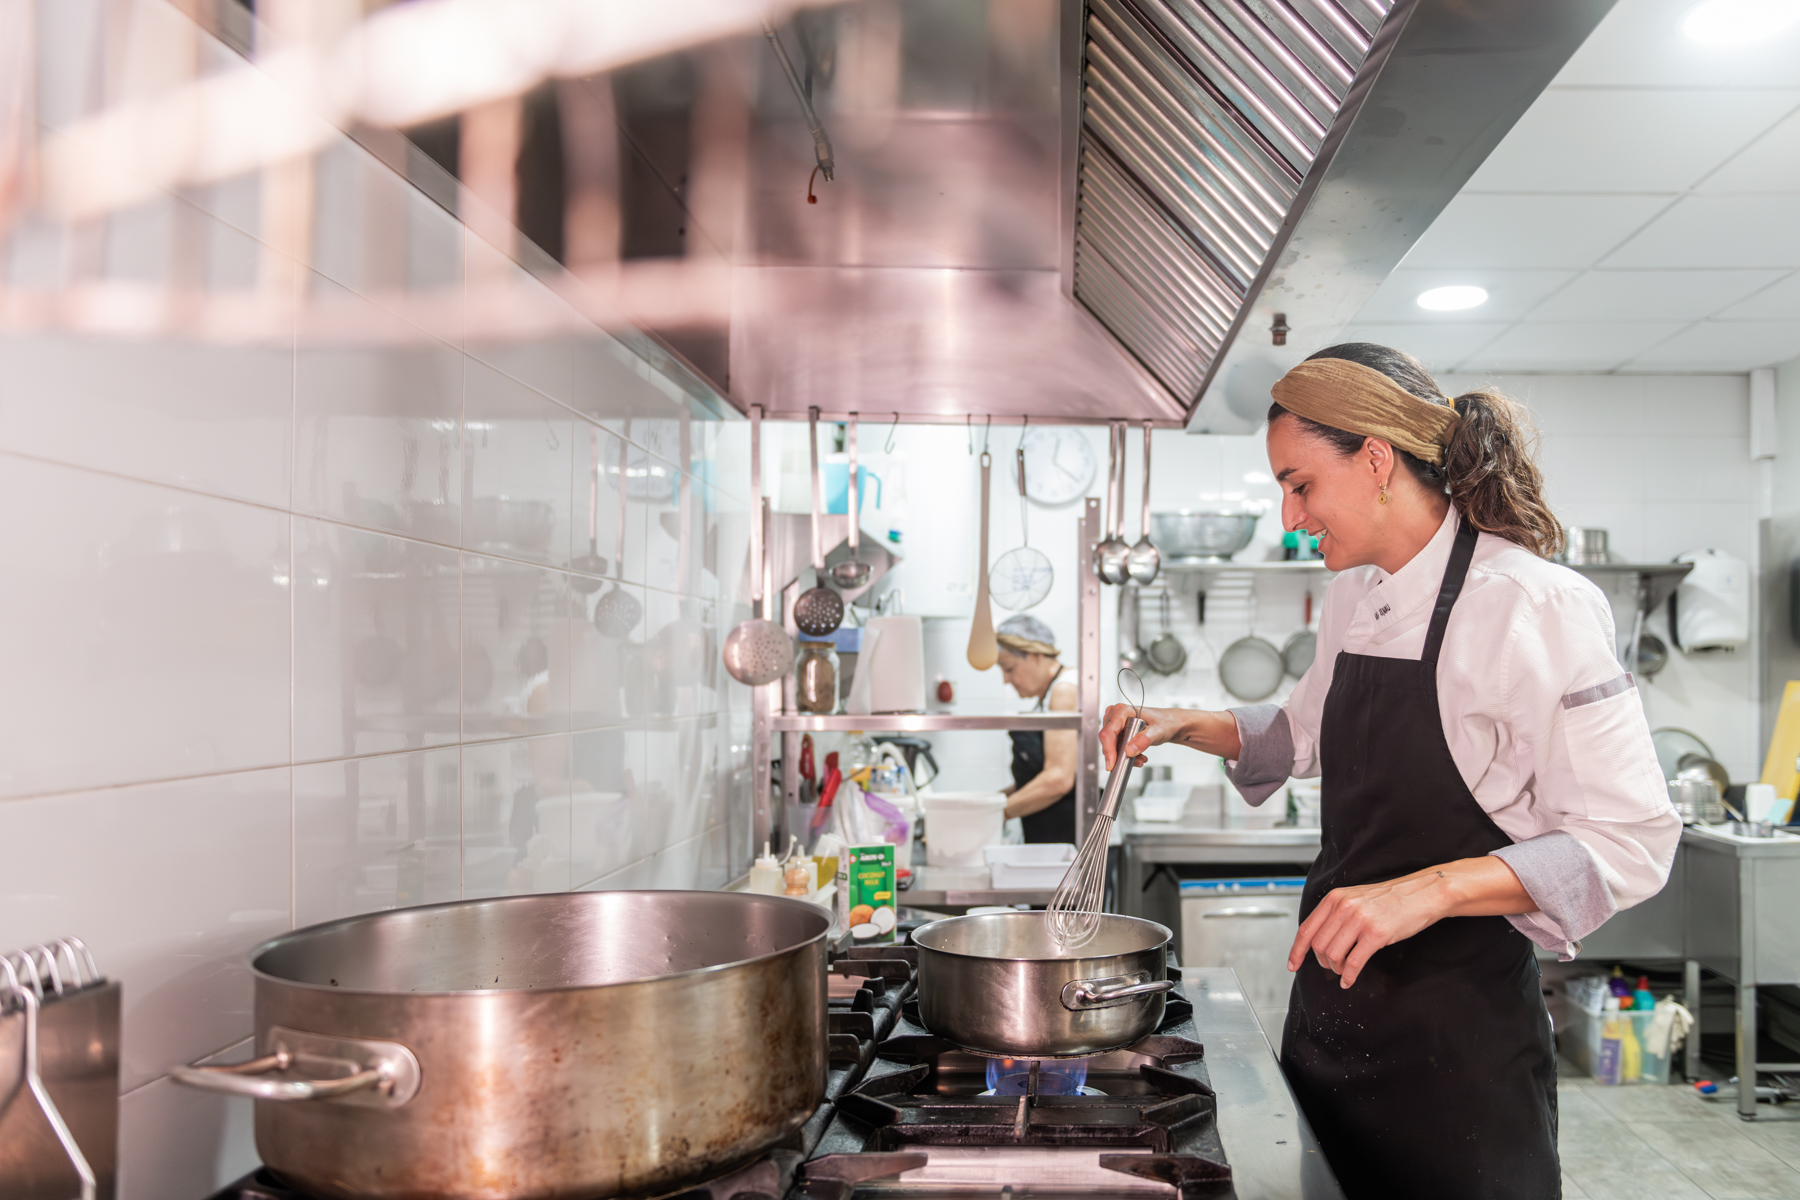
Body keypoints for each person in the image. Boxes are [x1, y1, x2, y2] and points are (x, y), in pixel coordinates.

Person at [1098, 343, 1679, 1199]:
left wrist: (1428, 889)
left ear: (1375, 459)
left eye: (1300, 484)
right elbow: (1303, 734)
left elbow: (1630, 842)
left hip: (1461, 1047)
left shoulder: (1535, 605)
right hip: (1333, 1015)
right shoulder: (1353, 594)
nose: (1291, 514)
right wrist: (1188, 723)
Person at [994, 614, 1079, 844]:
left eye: (1009, 668)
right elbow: (1041, 774)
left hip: (1079, 837)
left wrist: (996, 814)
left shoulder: (1064, 690)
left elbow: (1058, 779)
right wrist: (995, 800)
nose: (1006, 679)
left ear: (1035, 656)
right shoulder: (1052, 693)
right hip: (1060, 833)